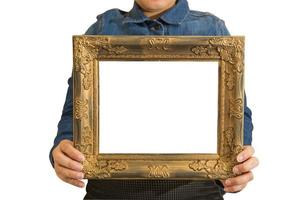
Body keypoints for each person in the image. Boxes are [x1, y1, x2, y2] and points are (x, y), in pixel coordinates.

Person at [49, 0, 259, 199]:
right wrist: (63, 147)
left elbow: (236, 109)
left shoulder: (211, 28)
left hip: (195, 188)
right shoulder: (104, 28)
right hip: (112, 189)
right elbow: (76, 108)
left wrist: (237, 159)